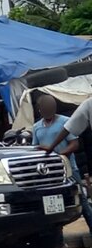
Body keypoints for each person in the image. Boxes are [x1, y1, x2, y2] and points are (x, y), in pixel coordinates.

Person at [34, 94, 92, 234]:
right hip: (49, 173)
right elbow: (36, 148)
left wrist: (58, 155)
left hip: (69, 169)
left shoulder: (66, 119)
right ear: (40, 109)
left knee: (81, 201)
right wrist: (51, 149)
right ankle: (58, 242)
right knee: (53, 204)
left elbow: (73, 140)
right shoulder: (36, 127)